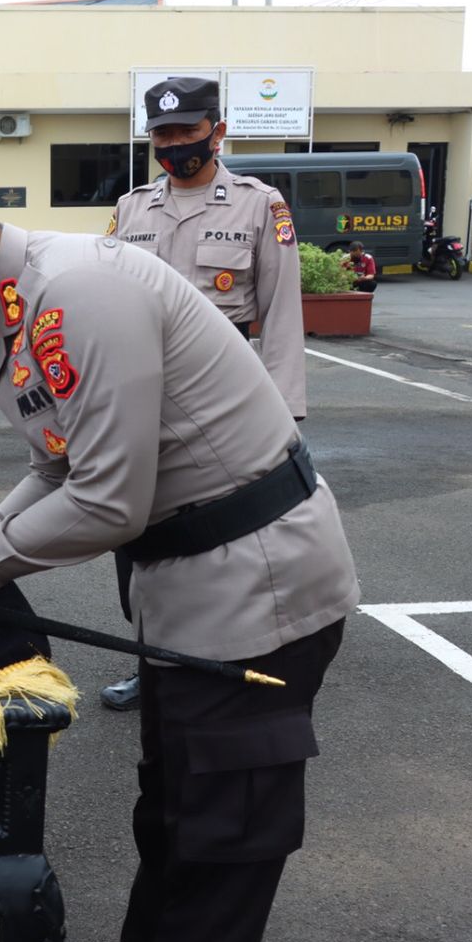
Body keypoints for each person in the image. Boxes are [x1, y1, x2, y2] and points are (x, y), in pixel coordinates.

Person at [0, 156, 359, 942]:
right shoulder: (32, 309)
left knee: (221, 843)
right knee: (174, 817)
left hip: (258, 595)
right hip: (190, 595)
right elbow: (57, 471)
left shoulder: (79, 293)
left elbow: (108, 500)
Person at [100, 76, 307, 713]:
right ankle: (152, 658)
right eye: (162, 134)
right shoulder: (131, 210)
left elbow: (281, 314)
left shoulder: (258, 204)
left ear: (217, 131)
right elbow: (104, 305)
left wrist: (283, 415)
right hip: (140, 395)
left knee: (222, 536)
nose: (174, 144)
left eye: (187, 132)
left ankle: (226, 656)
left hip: (229, 399)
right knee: (135, 530)